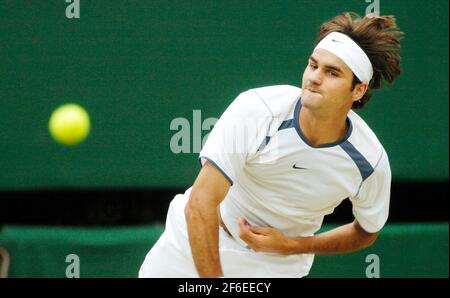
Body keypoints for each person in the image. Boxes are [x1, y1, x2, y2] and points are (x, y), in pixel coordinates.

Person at [139, 12, 403, 278]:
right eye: (313, 66)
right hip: (190, 247)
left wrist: (293, 246)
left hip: (275, 267)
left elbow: (367, 231)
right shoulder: (258, 110)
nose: (314, 78)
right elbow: (200, 203)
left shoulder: (369, 161)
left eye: (332, 72)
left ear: (358, 90)